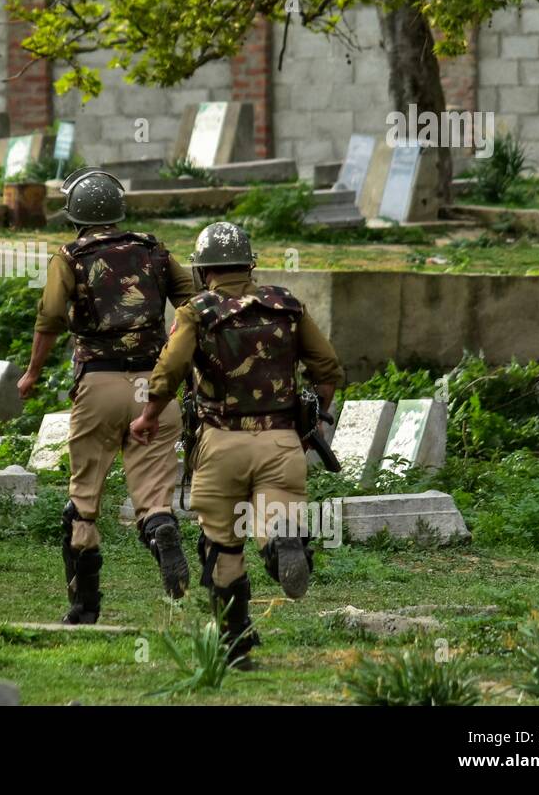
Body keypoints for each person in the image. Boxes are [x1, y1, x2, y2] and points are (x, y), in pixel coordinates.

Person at [129, 221, 342, 668]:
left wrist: (148, 417)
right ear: (250, 264)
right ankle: (282, 541)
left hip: (220, 443)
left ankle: (236, 646)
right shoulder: (286, 305)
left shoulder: (195, 312)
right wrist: (313, 418)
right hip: (281, 441)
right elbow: (327, 368)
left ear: (203, 270)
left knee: (222, 545)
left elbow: (167, 375)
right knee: (276, 516)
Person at [18, 168, 200, 625]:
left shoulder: (70, 256)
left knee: (82, 503)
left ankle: (84, 609)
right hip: (154, 390)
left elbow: (51, 317)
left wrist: (32, 373)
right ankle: (162, 533)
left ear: (75, 216)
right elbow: (194, 302)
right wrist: (178, 341)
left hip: (99, 385)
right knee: (154, 496)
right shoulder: (153, 249)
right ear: (119, 211)